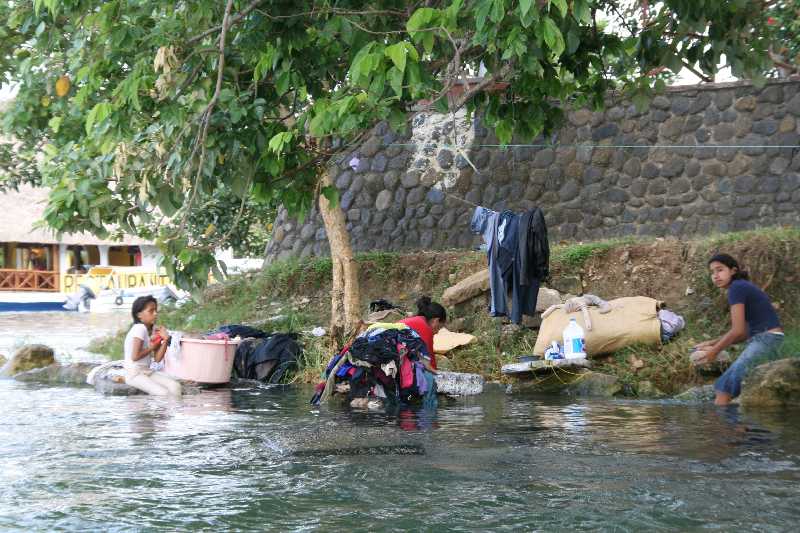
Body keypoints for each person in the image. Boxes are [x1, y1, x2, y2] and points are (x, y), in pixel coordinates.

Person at [692, 254, 784, 406]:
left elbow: (737, 331)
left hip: (766, 341)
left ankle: (722, 428)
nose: (715, 276)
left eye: (720, 270)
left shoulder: (736, 288)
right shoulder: (742, 286)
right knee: (734, 388)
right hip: (771, 340)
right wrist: (712, 342)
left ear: (733, 270)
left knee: (724, 388)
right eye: (712, 272)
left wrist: (713, 351)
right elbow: (746, 331)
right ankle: (733, 426)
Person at [124, 295, 182, 396]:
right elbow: (134, 357)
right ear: (139, 315)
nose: (155, 314)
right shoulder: (139, 328)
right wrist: (152, 347)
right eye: (151, 311)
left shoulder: (154, 329)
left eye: (156, 310)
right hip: (133, 373)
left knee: (175, 386)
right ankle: (157, 412)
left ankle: (174, 410)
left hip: (146, 371)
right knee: (163, 393)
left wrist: (165, 340)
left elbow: (157, 359)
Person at [400, 296, 446, 371]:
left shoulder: (414, 321)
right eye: (439, 327)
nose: (437, 332)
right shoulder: (425, 328)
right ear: (436, 321)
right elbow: (430, 360)